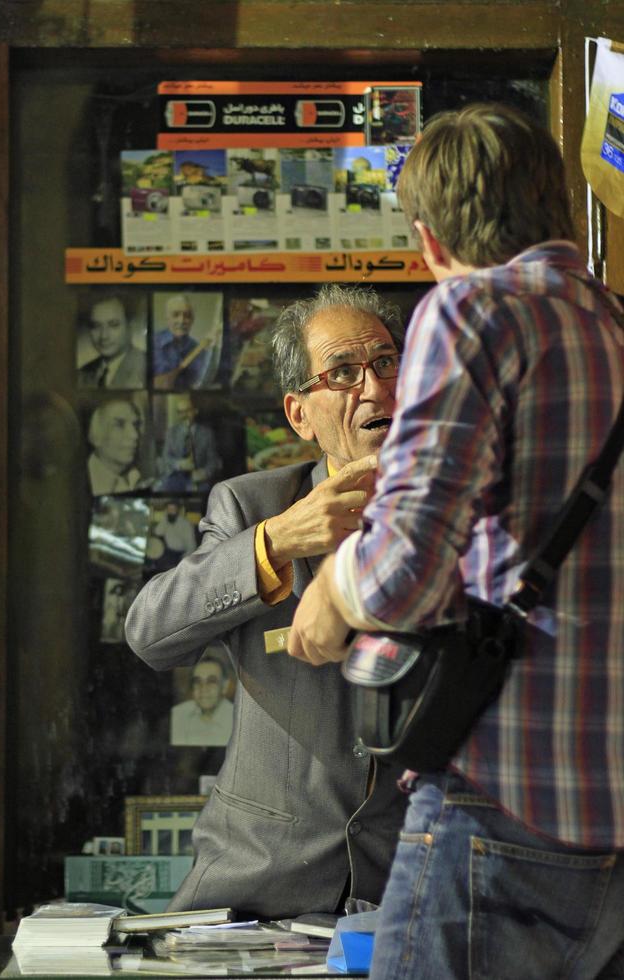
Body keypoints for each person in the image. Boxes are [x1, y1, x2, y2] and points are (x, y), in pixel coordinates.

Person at [288, 103, 624, 979]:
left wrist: (328, 591)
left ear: (431, 244)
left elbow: (403, 572)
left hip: (508, 806)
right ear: (559, 207)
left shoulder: (471, 312)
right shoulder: (617, 325)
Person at [125, 283, 409, 919]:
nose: (374, 387)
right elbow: (149, 632)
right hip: (257, 881)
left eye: (386, 362)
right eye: (342, 372)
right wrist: (274, 542)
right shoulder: (252, 506)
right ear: (299, 414)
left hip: (408, 885)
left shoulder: (461, 508)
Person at [78, 294, 147, 389]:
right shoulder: (81, 374)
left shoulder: (147, 367)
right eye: (96, 326)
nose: (103, 336)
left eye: (113, 325)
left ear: (130, 326)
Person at [156, 395, 222, 494]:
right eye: (180, 412)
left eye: (187, 411)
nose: (184, 415)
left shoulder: (207, 433)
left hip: (198, 479)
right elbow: (166, 457)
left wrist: (204, 473)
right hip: (175, 476)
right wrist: (179, 464)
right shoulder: (171, 432)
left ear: (195, 411)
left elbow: (213, 461)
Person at [153, 293, 218, 390]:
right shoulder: (153, 343)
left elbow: (203, 382)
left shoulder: (200, 349)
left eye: (187, 316)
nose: (182, 320)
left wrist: (213, 348)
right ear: (167, 318)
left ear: (192, 320)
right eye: (175, 315)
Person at [170, 650, 234, 747]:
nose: (203, 688)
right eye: (197, 681)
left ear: (224, 686)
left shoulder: (237, 718)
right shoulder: (178, 714)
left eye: (211, 681)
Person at [87, 398, 144, 495]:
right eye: (119, 425)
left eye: (135, 425)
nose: (134, 435)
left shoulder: (138, 478)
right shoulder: (78, 483)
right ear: (96, 436)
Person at [152, 502, 198, 570]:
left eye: (173, 509)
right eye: (168, 509)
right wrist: (164, 519)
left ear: (177, 511)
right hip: (168, 551)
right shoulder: (166, 521)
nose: (170, 511)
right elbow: (158, 532)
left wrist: (184, 560)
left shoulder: (185, 524)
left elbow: (191, 545)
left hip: (181, 553)